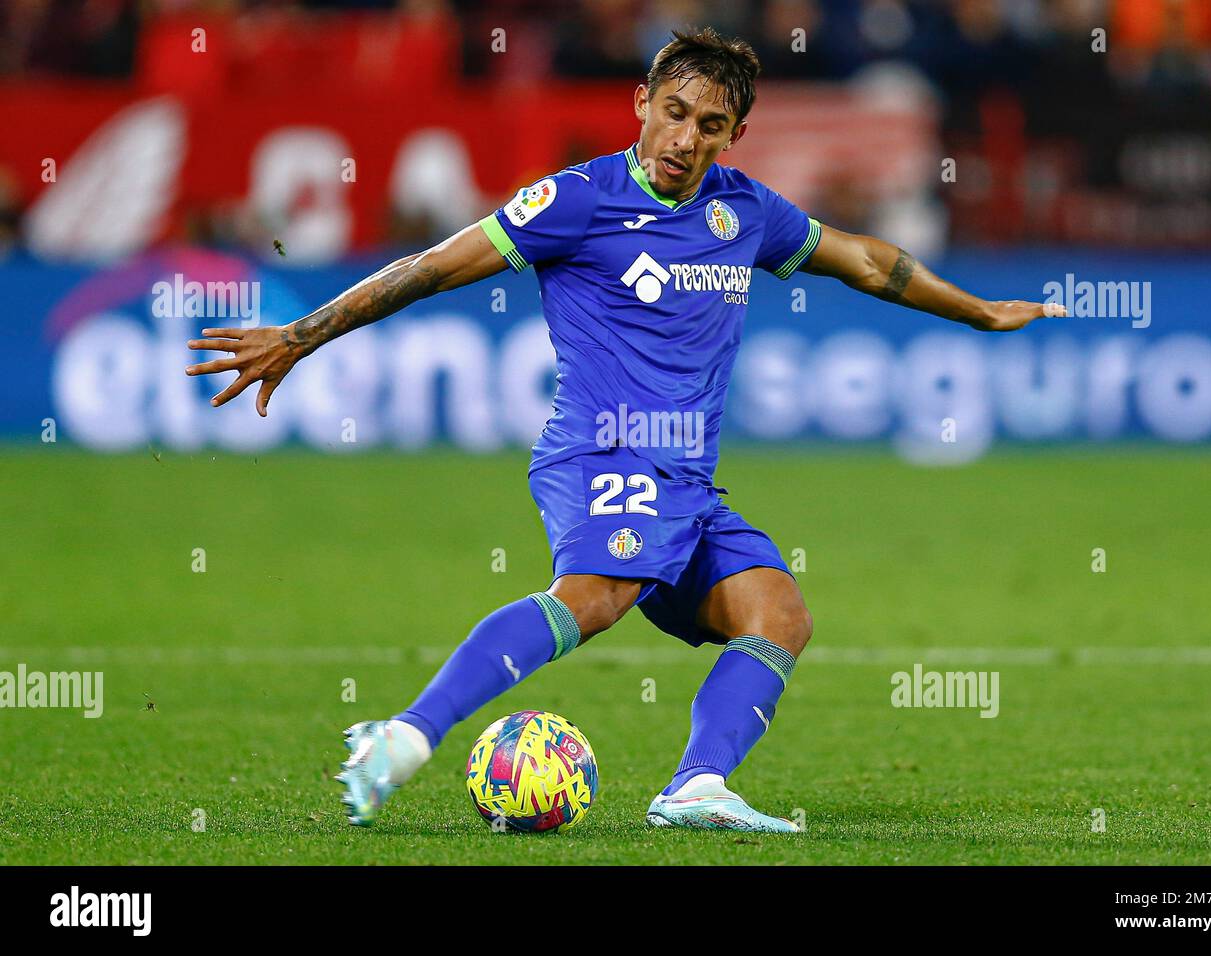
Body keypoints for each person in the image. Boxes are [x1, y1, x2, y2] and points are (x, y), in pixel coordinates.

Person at [186, 28, 1062, 832]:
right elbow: (430, 266)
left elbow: (869, 260)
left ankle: (697, 787)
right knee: (596, 600)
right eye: (674, 112)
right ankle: (405, 736)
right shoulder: (577, 200)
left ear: (733, 136)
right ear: (643, 101)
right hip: (601, 449)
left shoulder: (744, 211)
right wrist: (300, 336)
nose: (685, 139)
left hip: (687, 480)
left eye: (709, 125)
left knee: (778, 614)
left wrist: (977, 311)